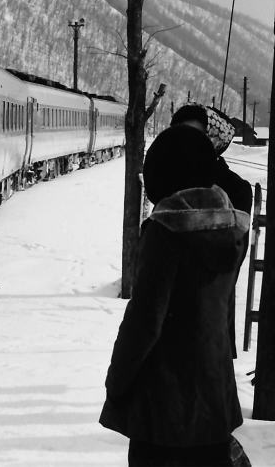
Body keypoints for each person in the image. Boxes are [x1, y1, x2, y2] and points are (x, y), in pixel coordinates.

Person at [99, 125, 251, 467]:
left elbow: (145, 319)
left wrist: (117, 379)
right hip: (213, 395)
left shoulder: (166, 231)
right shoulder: (233, 227)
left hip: (164, 405)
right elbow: (224, 316)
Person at [170, 103, 252, 358]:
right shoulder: (169, 179)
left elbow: (229, 258)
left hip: (209, 320)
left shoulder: (235, 189)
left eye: (197, 136)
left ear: (214, 140)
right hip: (166, 316)